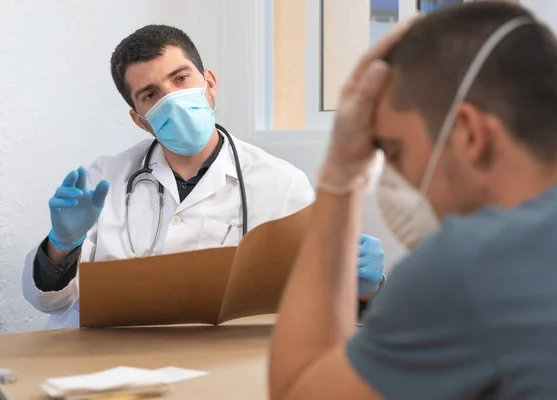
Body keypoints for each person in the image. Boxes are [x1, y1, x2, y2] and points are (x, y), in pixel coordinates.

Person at [270, 2, 557, 399]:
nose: (393, 177)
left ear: (468, 134)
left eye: (394, 152)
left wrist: (342, 174)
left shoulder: (470, 264)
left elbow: (297, 392)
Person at [22, 25, 385, 330]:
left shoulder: (281, 184)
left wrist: (363, 289)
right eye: (151, 95)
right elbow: (51, 303)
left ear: (209, 83)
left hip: (222, 364)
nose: (173, 99)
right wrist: (62, 246)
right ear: (140, 119)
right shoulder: (102, 180)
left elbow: (316, 306)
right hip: (106, 363)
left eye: (181, 79)